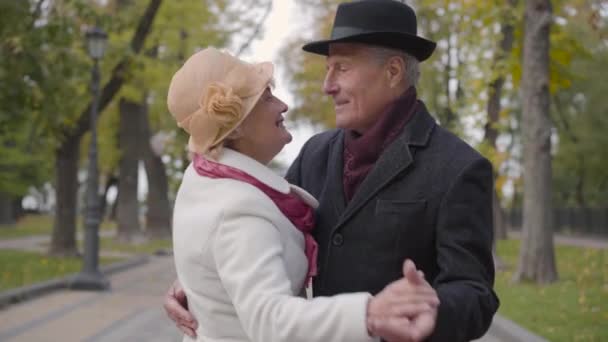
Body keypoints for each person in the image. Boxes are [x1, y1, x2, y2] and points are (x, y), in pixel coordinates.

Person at [165, 1, 499, 341]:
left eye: (342, 68)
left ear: (393, 71)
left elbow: (475, 293)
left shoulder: (459, 167)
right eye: (328, 69)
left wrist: (430, 308)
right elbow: (256, 239)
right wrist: (202, 282)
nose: (327, 85)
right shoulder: (316, 153)